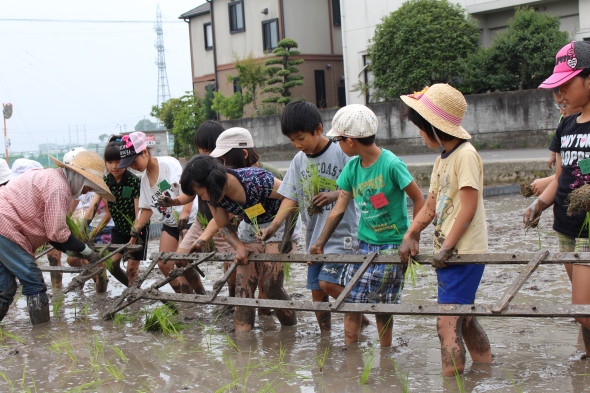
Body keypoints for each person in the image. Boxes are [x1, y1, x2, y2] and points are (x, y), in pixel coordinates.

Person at [309, 104, 425, 347]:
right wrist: (320, 243)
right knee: (351, 301)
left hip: (392, 245)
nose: (337, 145)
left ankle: (385, 354)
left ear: (350, 141)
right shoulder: (352, 168)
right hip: (363, 245)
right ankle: (351, 356)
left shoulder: (391, 164)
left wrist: (412, 235)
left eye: (339, 140)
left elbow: (418, 198)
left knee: (382, 306)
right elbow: (339, 208)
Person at [397, 84, 492, 376]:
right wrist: (411, 233)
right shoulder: (443, 159)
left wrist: (448, 247)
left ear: (435, 128)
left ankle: (452, 382)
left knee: (446, 323)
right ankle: (485, 369)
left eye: (421, 128)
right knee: (463, 318)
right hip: (450, 251)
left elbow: (468, 207)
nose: (420, 134)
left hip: (463, 252)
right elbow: (431, 205)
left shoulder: (465, 155)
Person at [261, 100, 361, 332]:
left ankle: (358, 313)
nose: (297, 145)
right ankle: (325, 336)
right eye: (292, 140)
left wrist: (334, 194)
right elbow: (290, 198)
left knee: (329, 283)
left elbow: (361, 186)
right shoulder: (299, 161)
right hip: (314, 238)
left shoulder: (341, 152)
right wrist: (273, 228)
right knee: (317, 291)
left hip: (342, 234)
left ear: (318, 129)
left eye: (301, 138)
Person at [524, 41, 590, 357]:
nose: (560, 93)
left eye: (567, 84)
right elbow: (562, 177)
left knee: (582, 310)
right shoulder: (566, 124)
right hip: (566, 226)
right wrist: (539, 204)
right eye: (557, 87)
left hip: (589, 230)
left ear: (589, 80)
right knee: (586, 308)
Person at [180, 155, 297, 331]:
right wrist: (239, 247)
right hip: (250, 227)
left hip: (279, 224)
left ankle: (290, 333)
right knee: (244, 290)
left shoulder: (255, 179)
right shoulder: (212, 197)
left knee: (270, 284)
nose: (202, 198)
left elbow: (291, 196)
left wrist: (275, 229)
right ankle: (244, 344)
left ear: (213, 183)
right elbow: (223, 225)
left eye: (201, 192)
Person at [0, 151, 114, 325]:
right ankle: (42, 337)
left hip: (5, 227)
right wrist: (88, 252)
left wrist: (73, 250)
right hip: (6, 228)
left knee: (5, 288)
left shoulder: (51, 178)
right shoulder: (58, 188)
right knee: (34, 283)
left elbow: (51, 235)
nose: (87, 192)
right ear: (79, 177)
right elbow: (57, 233)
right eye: (89, 186)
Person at [116, 131, 200, 295]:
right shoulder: (144, 180)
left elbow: (188, 191)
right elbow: (147, 208)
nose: (133, 166)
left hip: (187, 219)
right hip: (169, 223)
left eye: (134, 161)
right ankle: (184, 296)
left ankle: (200, 294)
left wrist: (185, 214)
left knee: (180, 262)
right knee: (163, 263)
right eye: (129, 164)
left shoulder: (168, 164)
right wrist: (137, 226)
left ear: (145, 152)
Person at [84, 136, 149, 288]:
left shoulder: (134, 181)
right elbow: (93, 207)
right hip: (119, 230)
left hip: (137, 230)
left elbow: (138, 212)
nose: (115, 166)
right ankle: (134, 291)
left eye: (118, 161)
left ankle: (133, 295)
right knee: (113, 265)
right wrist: (83, 229)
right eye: (110, 162)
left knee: (132, 269)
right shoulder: (105, 182)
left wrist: (131, 242)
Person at [531, 89, 583, 196]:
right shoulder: (564, 124)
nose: (561, 111)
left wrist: (551, 181)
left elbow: (583, 166)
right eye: (558, 105)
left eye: (564, 105)